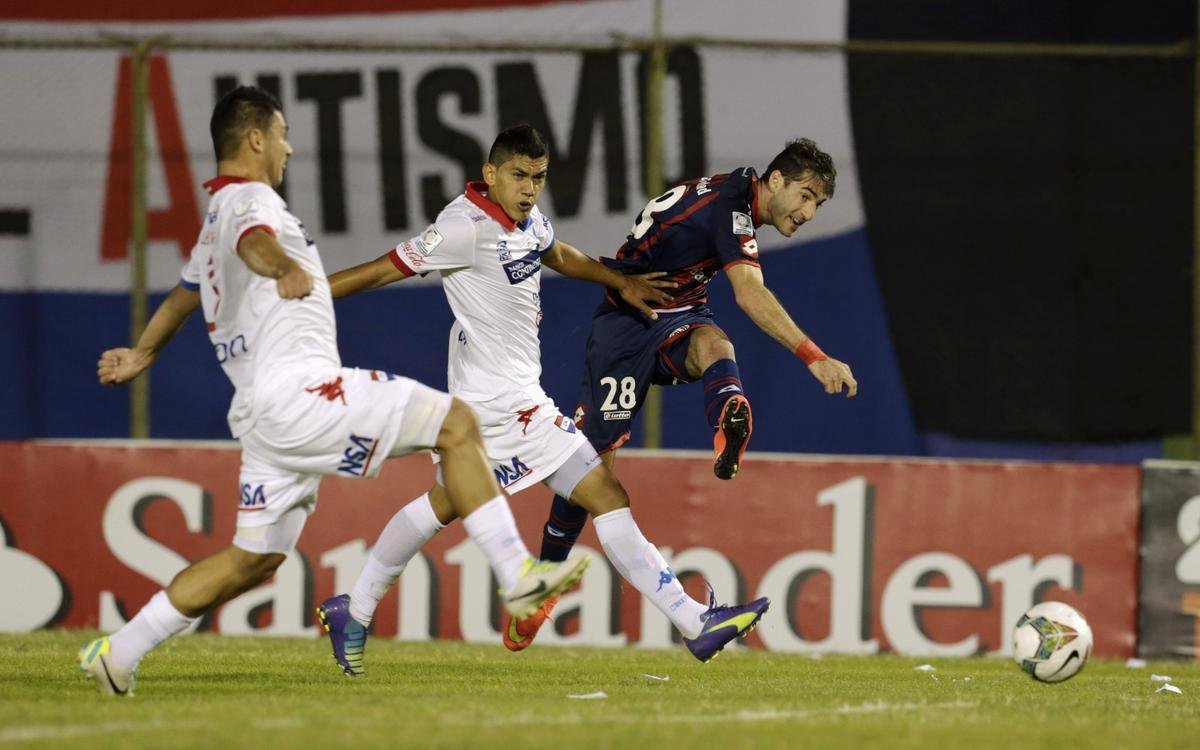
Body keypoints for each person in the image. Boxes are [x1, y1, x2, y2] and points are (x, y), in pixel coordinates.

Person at [78, 87, 587, 697]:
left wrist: (144, 351)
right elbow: (256, 243)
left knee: (253, 560)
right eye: (283, 134)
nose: (289, 148)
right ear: (256, 139)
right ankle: (519, 577)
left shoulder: (214, 217)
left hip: (262, 413)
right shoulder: (248, 202)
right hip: (302, 392)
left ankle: (119, 651)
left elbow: (186, 293)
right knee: (457, 423)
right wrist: (283, 267)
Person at [320, 124, 769, 675]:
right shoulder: (461, 227)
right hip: (500, 405)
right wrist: (304, 295)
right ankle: (692, 621)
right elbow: (379, 271)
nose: (530, 188)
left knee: (448, 503)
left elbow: (558, 254)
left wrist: (617, 280)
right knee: (603, 493)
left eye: (538, 177)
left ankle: (354, 610)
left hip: (501, 399)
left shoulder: (528, 221)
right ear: (490, 174)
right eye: (518, 175)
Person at [507, 139, 857, 651]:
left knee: (716, 344)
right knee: (591, 475)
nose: (808, 213)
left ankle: (727, 422)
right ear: (776, 180)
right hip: (629, 322)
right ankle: (540, 588)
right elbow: (750, 293)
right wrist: (815, 357)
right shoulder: (732, 207)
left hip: (680, 311)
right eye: (805, 196)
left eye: (818, 205)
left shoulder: (734, 196)